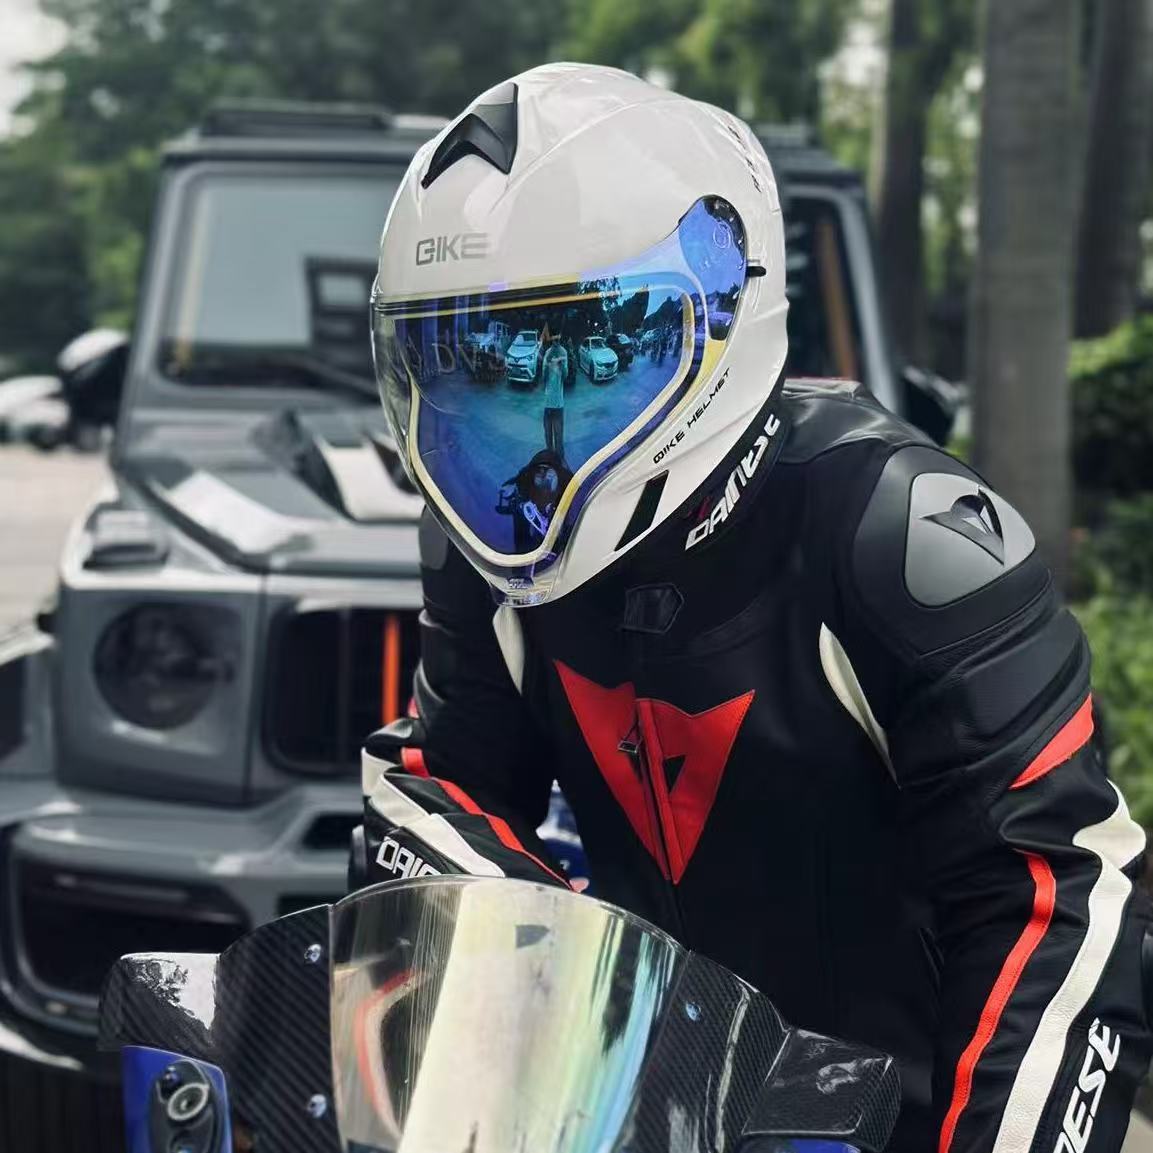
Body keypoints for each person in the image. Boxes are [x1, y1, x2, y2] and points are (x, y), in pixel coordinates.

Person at [364, 64, 1152, 1153]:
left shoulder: (902, 533)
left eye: (590, 352)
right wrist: (540, 972)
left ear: (722, 311)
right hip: (630, 1112)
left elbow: (1057, 892)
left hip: (915, 1121)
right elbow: (438, 786)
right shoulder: (482, 549)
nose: (528, 434)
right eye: (475, 365)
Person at [540, 333, 568, 459]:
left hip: (558, 403)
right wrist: (547, 364)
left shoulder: (564, 352)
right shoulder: (547, 353)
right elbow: (543, 378)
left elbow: (565, 376)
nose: (556, 342)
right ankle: (550, 458)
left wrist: (561, 366)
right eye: (554, 340)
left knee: (558, 436)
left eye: (557, 340)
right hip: (547, 403)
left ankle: (559, 460)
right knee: (548, 436)